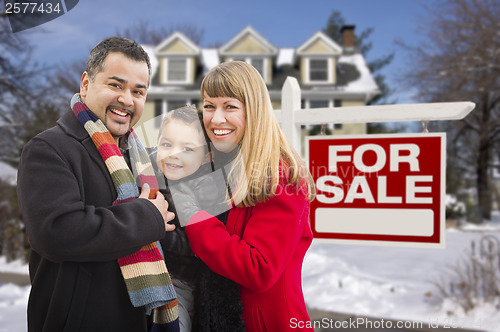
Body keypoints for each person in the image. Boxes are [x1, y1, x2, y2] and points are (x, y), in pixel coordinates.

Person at [17, 37, 179, 332]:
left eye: (138, 91)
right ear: (86, 84)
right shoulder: (48, 149)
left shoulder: (139, 158)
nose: (127, 100)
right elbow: (56, 232)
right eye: (116, 85)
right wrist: (147, 216)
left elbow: (165, 225)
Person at [174, 61, 316, 331]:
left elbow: (259, 269)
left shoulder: (281, 176)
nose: (216, 119)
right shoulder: (222, 165)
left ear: (254, 111)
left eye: (230, 106)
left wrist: (191, 214)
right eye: (209, 106)